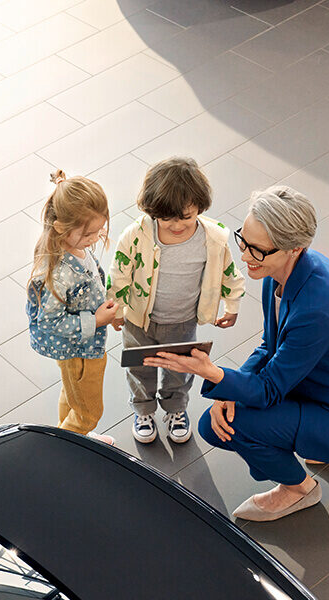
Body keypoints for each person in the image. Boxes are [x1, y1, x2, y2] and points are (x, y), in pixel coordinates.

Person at [144, 186, 329, 522]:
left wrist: (216, 376)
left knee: (221, 427)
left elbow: (271, 389)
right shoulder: (281, 271)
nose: (244, 256)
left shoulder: (318, 308)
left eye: (257, 250)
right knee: (225, 413)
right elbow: (270, 346)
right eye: (242, 240)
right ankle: (318, 445)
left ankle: (298, 490)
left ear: (294, 248)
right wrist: (228, 391)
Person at [108, 157, 245, 446]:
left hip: (183, 321)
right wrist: (116, 311)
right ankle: (143, 411)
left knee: (180, 370)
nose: (177, 225)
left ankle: (175, 410)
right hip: (139, 320)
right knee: (139, 368)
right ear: (152, 210)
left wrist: (232, 306)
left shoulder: (214, 239)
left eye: (186, 216)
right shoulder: (135, 236)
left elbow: (229, 274)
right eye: (167, 218)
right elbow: (118, 276)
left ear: (199, 206)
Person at [26, 170, 117, 445]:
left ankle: (77, 436)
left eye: (99, 229)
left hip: (82, 346)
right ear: (61, 228)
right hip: (78, 348)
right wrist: (97, 320)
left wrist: (106, 312)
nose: (95, 238)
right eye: (88, 233)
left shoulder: (76, 246)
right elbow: (51, 322)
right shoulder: (59, 273)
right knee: (89, 411)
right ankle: (63, 446)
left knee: (73, 394)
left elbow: (91, 281)